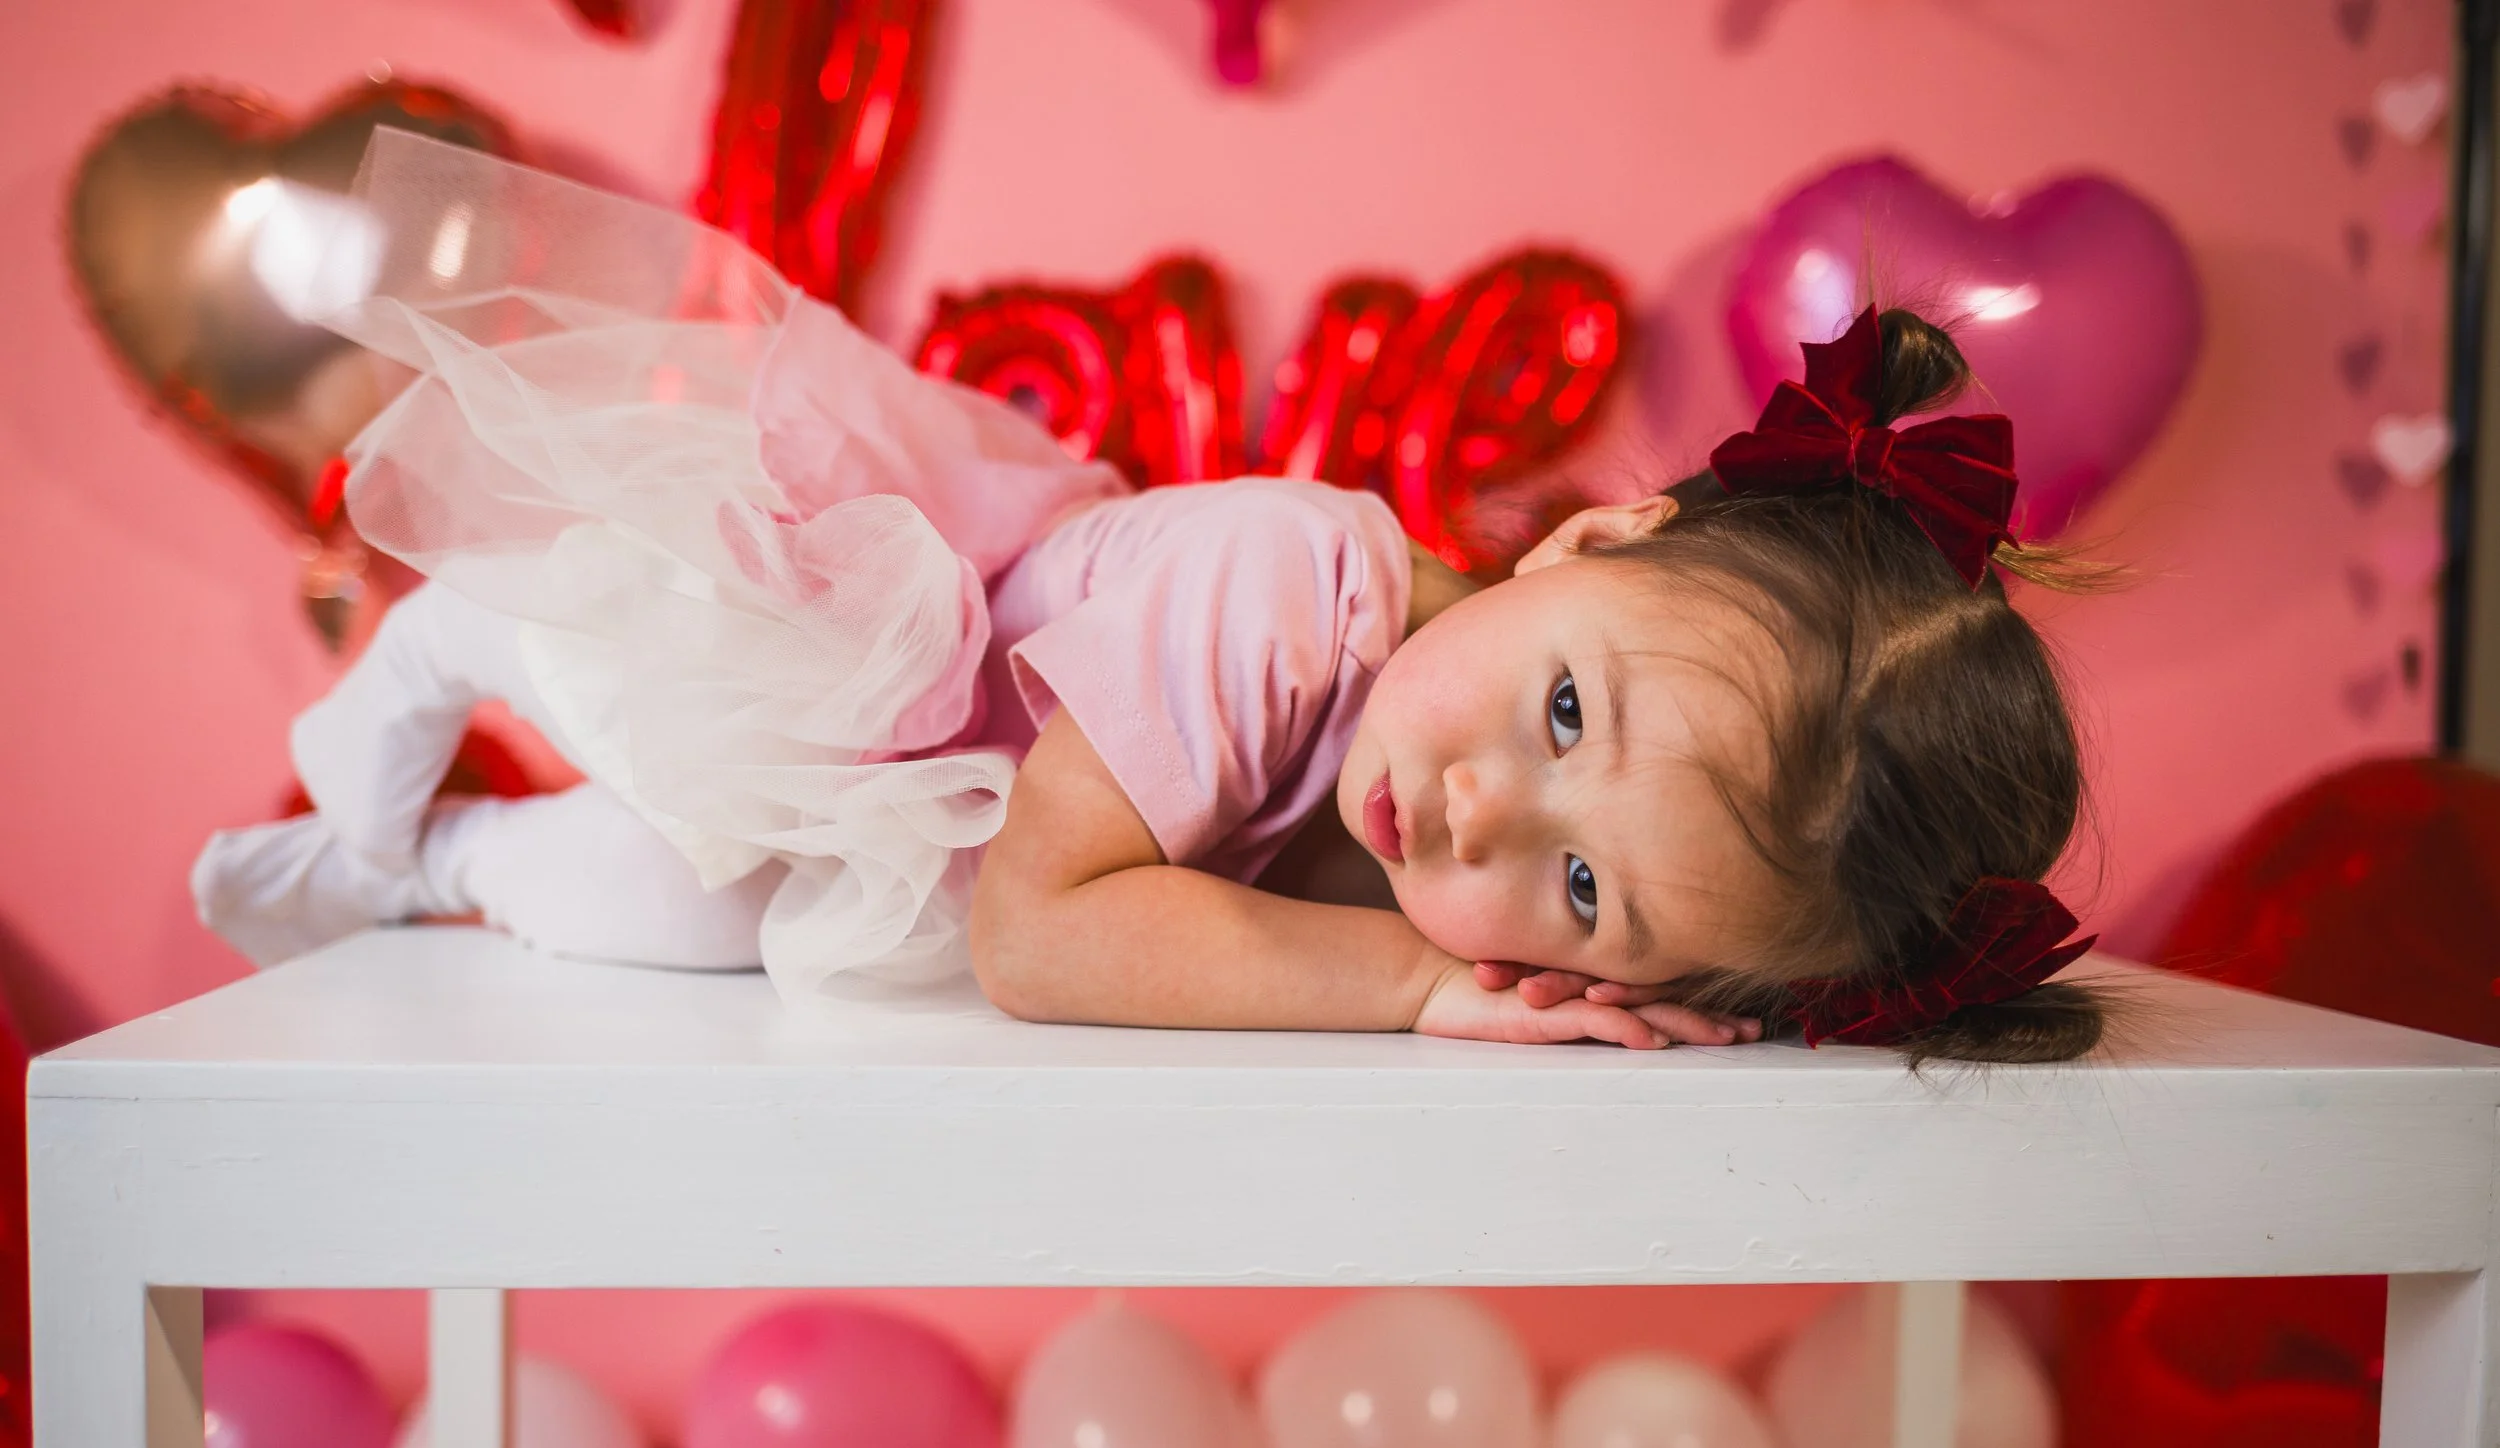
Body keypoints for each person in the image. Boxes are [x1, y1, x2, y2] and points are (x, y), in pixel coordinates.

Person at [196, 133, 2102, 1062]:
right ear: (1588, 544)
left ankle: (430, 864)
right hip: (855, 657)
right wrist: (1421, 983)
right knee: (598, 646)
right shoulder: (1290, 594)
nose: (1478, 814)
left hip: (906, 835)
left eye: (1586, 895)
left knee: (666, 917)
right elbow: (1040, 938)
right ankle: (419, 666)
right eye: (1563, 714)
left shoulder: (1429, 789)